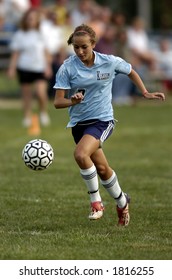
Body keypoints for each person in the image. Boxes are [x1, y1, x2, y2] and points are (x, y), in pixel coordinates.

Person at [53, 24, 165, 226]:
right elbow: (58, 101)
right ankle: (123, 202)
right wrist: (73, 101)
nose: (80, 51)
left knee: (80, 154)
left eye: (84, 47)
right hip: (79, 124)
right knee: (103, 169)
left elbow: (131, 71)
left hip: (103, 120)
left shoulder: (109, 61)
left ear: (93, 44)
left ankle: (96, 203)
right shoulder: (67, 67)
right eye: (76, 47)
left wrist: (145, 92)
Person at [7, 8, 52, 127]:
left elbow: (46, 52)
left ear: (37, 20)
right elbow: (16, 53)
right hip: (24, 67)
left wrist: (48, 67)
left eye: (33, 18)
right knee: (26, 95)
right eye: (28, 19)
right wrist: (12, 68)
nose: (30, 21)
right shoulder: (20, 34)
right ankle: (27, 116)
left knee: (40, 92)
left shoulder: (42, 33)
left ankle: (43, 112)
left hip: (39, 67)